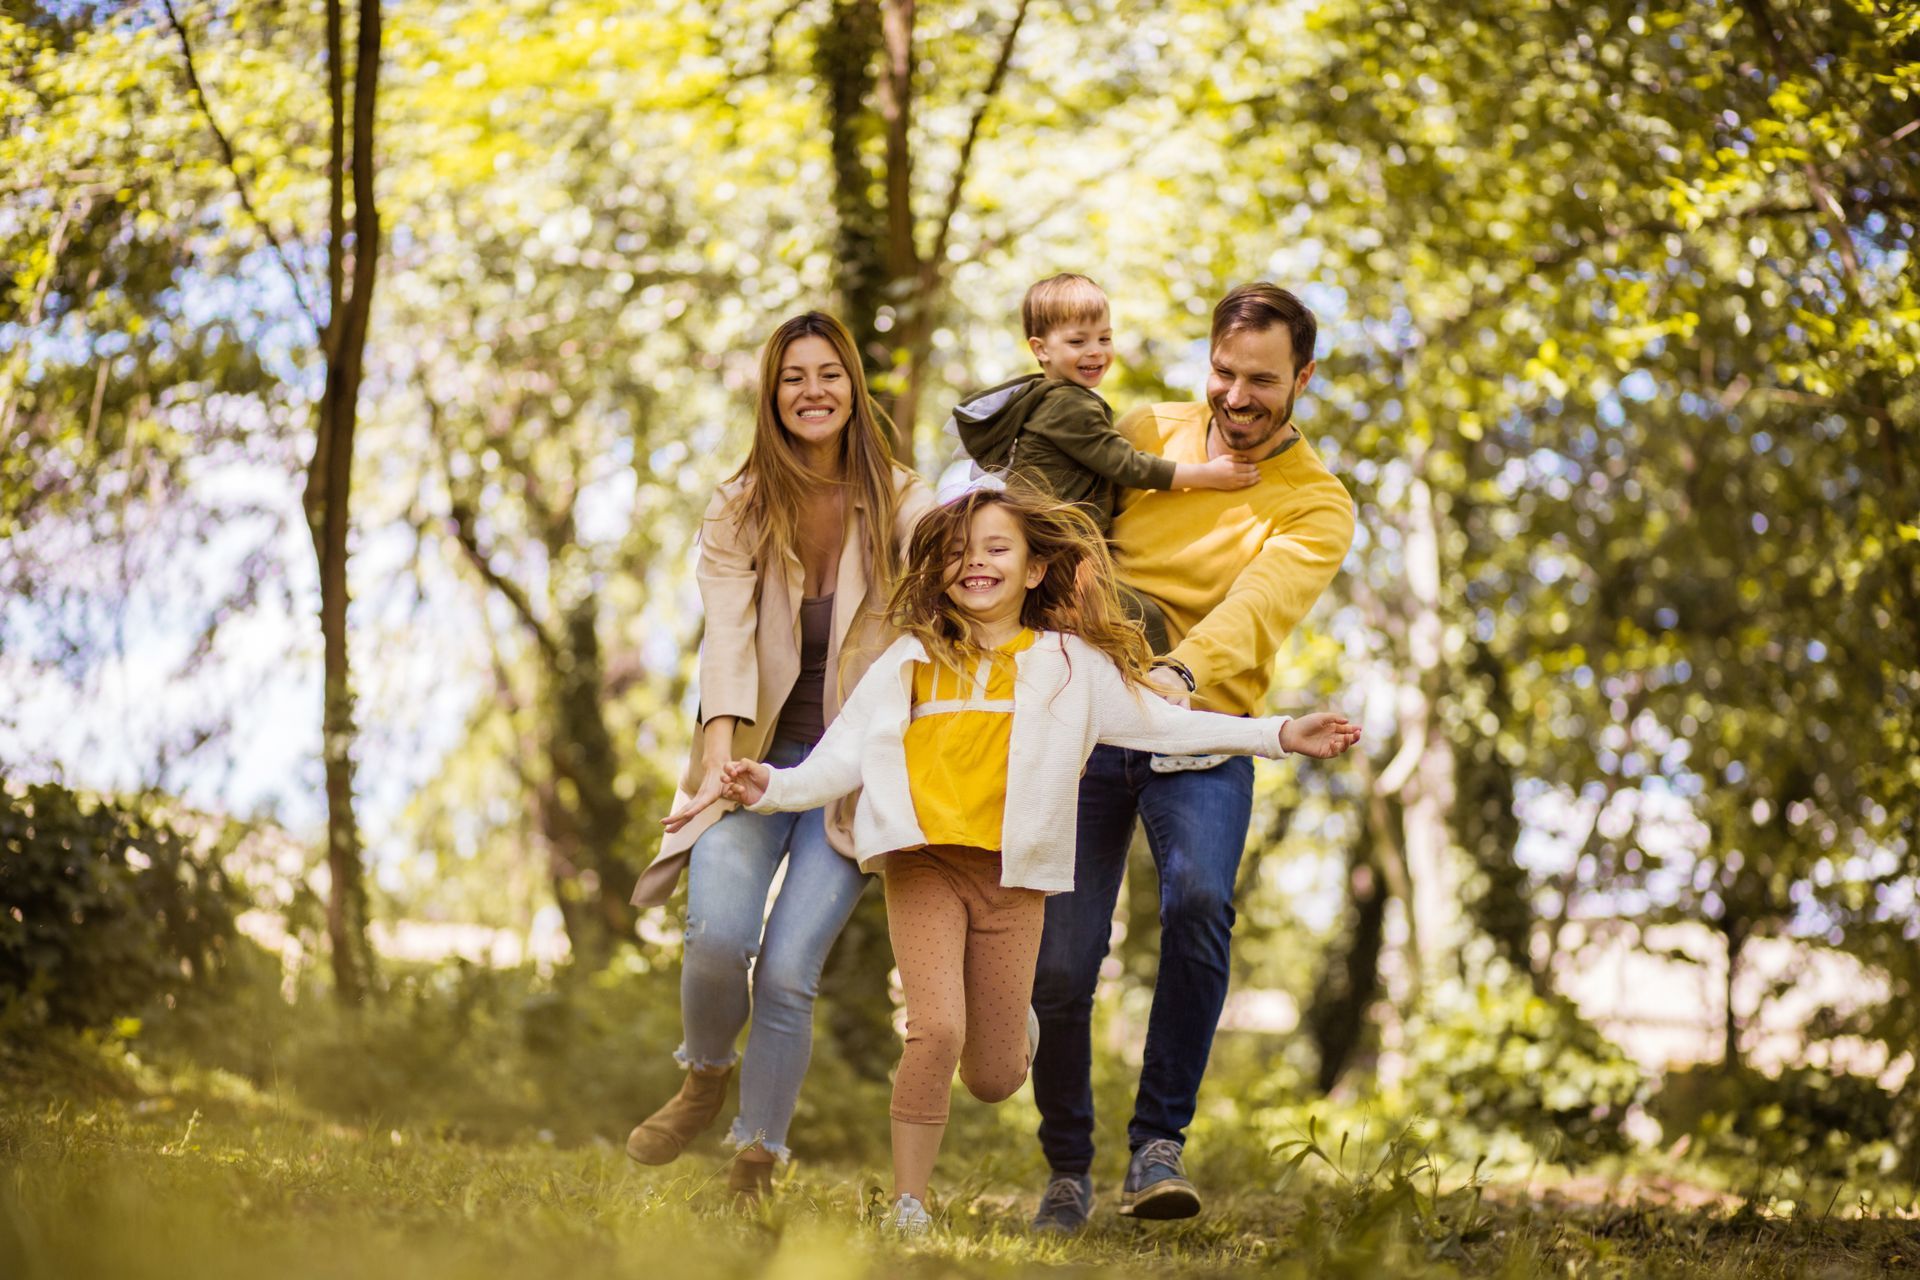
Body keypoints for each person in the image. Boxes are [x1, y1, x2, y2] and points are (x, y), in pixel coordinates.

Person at [682, 479, 1360, 1235]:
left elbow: (1165, 728)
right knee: (935, 1030)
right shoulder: (911, 659)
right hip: (924, 866)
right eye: (962, 552)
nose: (978, 563)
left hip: (1015, 882)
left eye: (998, 549)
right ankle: (909, 1204)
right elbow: (836, 763)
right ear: (940, 567)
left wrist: (1277, 733)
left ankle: (1014, 1033)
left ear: (1035, 569)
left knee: (995, 1076)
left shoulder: (1069, 665)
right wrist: (767, 784)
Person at [1028, 283, 1357, 1232]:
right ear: (1206, 362)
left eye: (1263, 380)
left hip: (1207, 725)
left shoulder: (1318, 505)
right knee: (1061, 959)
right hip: (1090, 720)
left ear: (1302, 378)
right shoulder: (1142, 433)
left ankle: (1157, 1145)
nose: (1240, 397)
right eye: (1225, 373)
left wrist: (1173, 677)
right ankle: (1065, 1166)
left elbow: (1255, 610)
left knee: (1202, 902)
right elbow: (1072, 540)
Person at [627, 311, 932, 1198]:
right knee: (718, 936)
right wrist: (716, 772)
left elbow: (955, 569)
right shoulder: (739, 505)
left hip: (846, 772)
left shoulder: (904, 501)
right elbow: (724, 639)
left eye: (828, 373)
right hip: (752, 753)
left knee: (792, 968)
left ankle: (755, 1156)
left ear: (853, 387)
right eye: (793, 377)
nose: (812, 391)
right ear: (772, 394)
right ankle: (705, 1075)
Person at [947, 273, 1259, 651]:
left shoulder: (1052, 397)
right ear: (1041, 349)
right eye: (1078, 341)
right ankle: (1160, 693)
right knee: (1142, 619)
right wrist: (1208, 475)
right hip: (1055, 548)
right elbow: (1127, 465)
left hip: (1050, 546)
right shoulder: (1068, 404)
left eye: (1104, 338)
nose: (1095, 351)